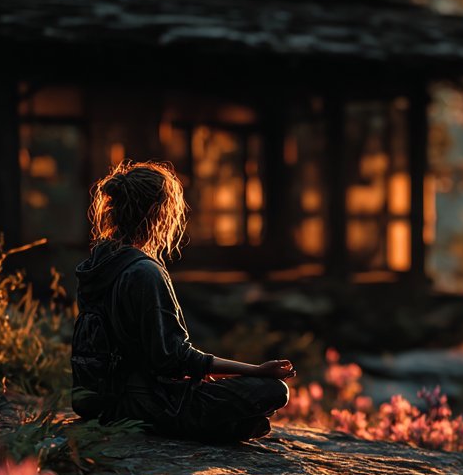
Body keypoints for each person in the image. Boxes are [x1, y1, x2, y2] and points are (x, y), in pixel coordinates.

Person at [70, 160, 295, 442]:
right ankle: (205, 428)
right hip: (141, 404)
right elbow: (174, 358)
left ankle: (225, 427)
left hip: (95, 401)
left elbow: (148, 354)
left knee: (247, 416)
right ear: (157, 213)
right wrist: (257, 370)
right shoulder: (144, 271)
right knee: (273, 391)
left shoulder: (97, 265)